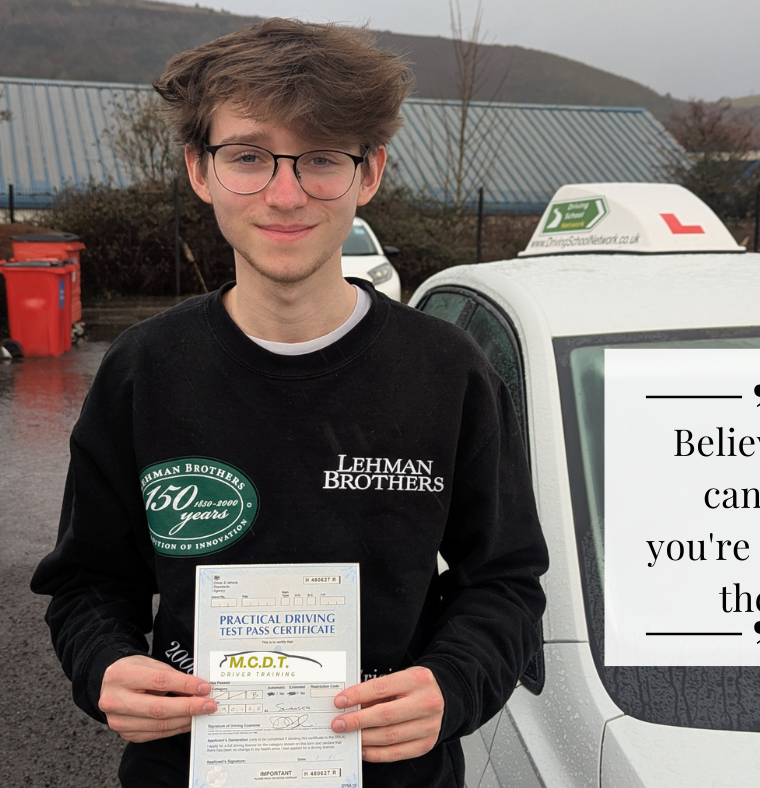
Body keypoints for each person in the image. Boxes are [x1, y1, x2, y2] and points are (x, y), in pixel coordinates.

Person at [31, 19, 548, 788]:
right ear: (200, 170)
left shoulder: (449, 373)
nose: (284, 193)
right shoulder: (143, 371)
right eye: (248, 157)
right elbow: (87, 580)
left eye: (319, 159)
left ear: (368, 172)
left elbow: (504, 581)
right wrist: (104, 665)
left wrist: (450, 685)